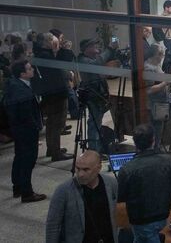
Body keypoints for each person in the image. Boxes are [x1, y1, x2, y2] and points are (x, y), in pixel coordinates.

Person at [118, 124, 171, 242]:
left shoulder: (127, 169)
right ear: (153, 140)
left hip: (139, 220)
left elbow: (120, 197)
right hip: (163, 215)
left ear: (135, 143)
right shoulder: (170, 162)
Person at [46, 151, 118, 243]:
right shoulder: (64, 190)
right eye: (77, 169)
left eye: (86, 169)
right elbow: (53, 225)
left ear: (98, 168)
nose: (80, 174)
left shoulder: (111, 184)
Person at [4, 60, 45, 202]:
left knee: (20, 157)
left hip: (19, 129)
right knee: (28, 159)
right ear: (22, 73)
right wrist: (35, 127)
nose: (32, 69)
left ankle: (18, 187)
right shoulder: (21, 90)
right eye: (29, 68)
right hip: (26, 130)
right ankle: (27, 193)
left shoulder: (16, 85)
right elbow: (26, 114)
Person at [32, 32, 73, 161]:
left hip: (50, 93)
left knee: (51, 123)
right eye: (51, 40)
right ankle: (56, 152)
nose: (54, 42)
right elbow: (59, 68)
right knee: (57, 123)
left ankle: (52, 148)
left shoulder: (41, 54)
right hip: (56, 93)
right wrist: (63, 51)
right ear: (46, 42)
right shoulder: (45, 56)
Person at [78, 38, 117, 153]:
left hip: (98, 94)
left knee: (97, 122)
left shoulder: (91, 58)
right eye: (94, 46)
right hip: (93, 96)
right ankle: (93, 151)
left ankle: (96, 148)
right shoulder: (83, 60)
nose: (97, 48)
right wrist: (110, 48)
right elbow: (98, 62)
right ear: (87, 48)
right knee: (94, 123)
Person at [144, 45, 170, 149]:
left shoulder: (157, 65)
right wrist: (165, 83)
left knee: (159, 127)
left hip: (161, 102)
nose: (162, 56)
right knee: (155, 128)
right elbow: (149, 90)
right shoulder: (148, 69)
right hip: (154, 104)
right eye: (160, 54)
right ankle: (154, 149)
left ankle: (157, 147)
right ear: (153, 55)